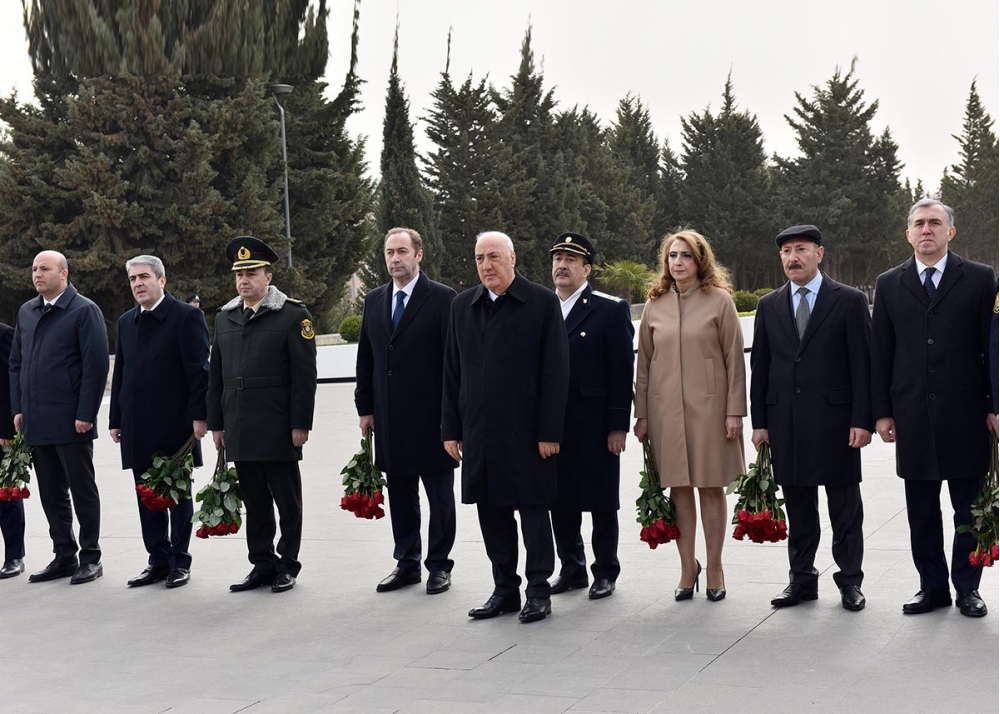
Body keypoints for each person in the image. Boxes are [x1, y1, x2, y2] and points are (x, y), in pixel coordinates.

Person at [871, 198, 997, 618]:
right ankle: (932, 588)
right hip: (912, 417)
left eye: (935, 223)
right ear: (908, 233)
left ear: (950, 232)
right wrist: (882, 411)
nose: (927, 229)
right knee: (922, 511)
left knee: (969, 509)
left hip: (967, 416)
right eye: (919, 223)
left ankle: (967, 589)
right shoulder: (889, 283)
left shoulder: (980, 278)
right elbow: (880, 353)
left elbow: (992, 348)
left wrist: (995, 405)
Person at [442, 231, 569, 623]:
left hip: (527, 434)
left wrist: (550, 432)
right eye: (480, 258)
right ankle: (505, 590)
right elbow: (452, 372)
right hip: (479, 432)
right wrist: (451, 429)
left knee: (533, 512)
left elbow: (556, 371)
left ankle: (538, 590)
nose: (486, 265)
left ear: (512, 258)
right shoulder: (463, 306)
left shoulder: (541, 302)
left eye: (494, 256)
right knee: (491, 513)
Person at [750, 225, 872, 611]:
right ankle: (801, 580)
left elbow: (863, 366)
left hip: (837, 424)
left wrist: (862, 419)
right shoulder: (769, 305)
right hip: (786, 423)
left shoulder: (849, 300)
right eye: (786, 251)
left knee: (845, 509)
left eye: (801, 249)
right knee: (799, 508)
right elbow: (761, 368)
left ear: (819, 253)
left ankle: (850, 581)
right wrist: (760, 422)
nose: (793, 258)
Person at [633, 230, 745, 602]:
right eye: (672, 256)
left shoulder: (719, 301)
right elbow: (644, 364)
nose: (677, 262)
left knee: (711, 486)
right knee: (679, 488)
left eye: (685, 255)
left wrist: (734, 411)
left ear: (700, 261)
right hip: (665, 412)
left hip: (711, 411)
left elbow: (734, 359)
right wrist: (642, 414)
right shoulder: (655, 303)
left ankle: (715, 568)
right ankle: (687, 568)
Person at [207, 236, 317, 594]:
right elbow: (216, 377)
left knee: (287, 501)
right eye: (239, 274)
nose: (244, 280)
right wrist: (217, 424)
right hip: (239, 424)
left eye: (251, 273)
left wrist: (300, 423)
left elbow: (304, 375)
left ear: (268, 277)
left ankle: (287, 564)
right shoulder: (225, 318)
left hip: (277, 424)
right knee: (254, 502)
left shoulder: (293, 315)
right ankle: (262, 563)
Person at [355, 227, 458, 595]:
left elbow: (454, 363)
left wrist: (454, 419)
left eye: (402, 251)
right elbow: (366, 359)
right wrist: (365, 408)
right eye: (389, 252)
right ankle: (407, 563)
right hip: (390, 419)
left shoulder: (443, 298)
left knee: (440, 499)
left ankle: (439, 566)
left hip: (433, 420)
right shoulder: (374, 300)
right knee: (401, 496)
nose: (395, 258)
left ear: (419, 255)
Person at [109, 255, 210, 589]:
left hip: (175, 425)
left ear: (162, 280)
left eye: (144, 277)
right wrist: (115, 418)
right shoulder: (127, 321)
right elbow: (121, 373)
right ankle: (158, 560)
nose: (138, 283)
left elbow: (199, 372)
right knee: (146, 495)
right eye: (133, 279)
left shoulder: (186, 316)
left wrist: (200, 417)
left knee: (177, 495)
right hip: (137, 425)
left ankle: (180, 561)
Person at [9, 250, 109, 585]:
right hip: (36, 420)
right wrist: (19, 408)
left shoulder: (83, 310)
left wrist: (86, 413)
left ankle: (91, 557)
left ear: (64, 274)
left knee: (82, 491)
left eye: (45, 269)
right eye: (34, 269)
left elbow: (96, 366)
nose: (37, 274)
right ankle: (64, 555)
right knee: (51, 494)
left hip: (72, 421)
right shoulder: (27, 311)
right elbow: (16, 365)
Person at [547, 232, 634, 600]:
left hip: (594, 423)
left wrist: (618, 425)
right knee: (559, 499)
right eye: (557, 259)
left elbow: (621, 371)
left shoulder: (609, 309)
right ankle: (572, 568)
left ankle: (605, 571)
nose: (562, 266)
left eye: (571, 260)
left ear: (587, 269)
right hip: (553, 424)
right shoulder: (542, 308)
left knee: (601, 500)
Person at [0, 321, 26, 579]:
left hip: (1, 435)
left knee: (6, 496)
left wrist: (7, 428)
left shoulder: (4, 334)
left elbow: (10, 383)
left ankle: (14, 556)